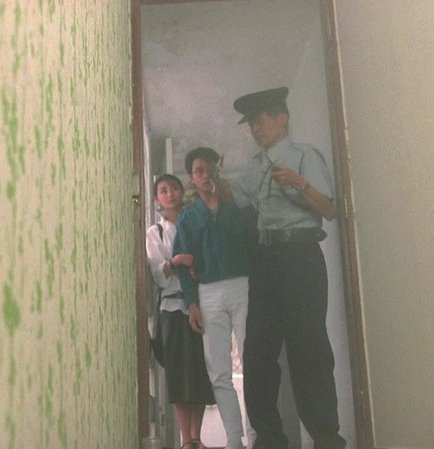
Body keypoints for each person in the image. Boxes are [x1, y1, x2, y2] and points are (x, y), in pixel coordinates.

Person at [231, 87, 346, 449]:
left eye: (260, 120)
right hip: (266, 260)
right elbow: (236, 197)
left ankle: (327, 438)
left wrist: (299, 183)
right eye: (251, 123)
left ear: (282, 118)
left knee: (308, 348)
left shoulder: (304, 156)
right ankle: (269, 438)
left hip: (301, 257)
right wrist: (208, 181)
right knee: (257, 350)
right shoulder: (254, 166)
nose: (255, 128)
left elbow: (329, 210)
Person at [173, 147, 253, 449]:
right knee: (219, 371)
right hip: (209, 292)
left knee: (252, 362)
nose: (206, 176)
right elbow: (184, 262)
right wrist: (192, 302)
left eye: (210, 169)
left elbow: (253, 242)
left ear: (218, 171)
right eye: (199, 171)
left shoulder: (236, 206)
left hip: (242, 285)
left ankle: (256, 436)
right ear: (192, 179)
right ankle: (234, 439)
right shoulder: (189, 217)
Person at [146, 173, 216, 449]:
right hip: (172, 308)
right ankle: (186, 440)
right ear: (156, 198)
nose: (170, 194)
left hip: (201, 303)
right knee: (179, 372)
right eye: (163, 190)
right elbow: (158, 275)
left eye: (174, 188)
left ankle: (197, 437)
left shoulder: (194, 222)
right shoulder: (155, 232)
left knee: (201, 371)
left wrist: (195, 265)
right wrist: (176, 261)